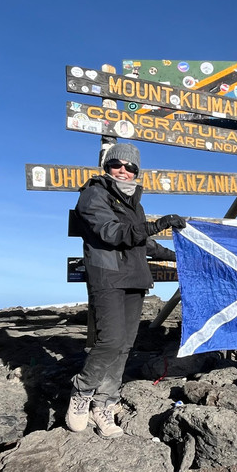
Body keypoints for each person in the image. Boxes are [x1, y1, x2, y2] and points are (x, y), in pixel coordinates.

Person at [67, 142, 186, 437]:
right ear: (107, 168)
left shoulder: (135, 203)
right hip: (107, 277)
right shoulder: (94, 193)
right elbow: (112, 232)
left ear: (136, 172)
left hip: (134, 278)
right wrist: (157, 225)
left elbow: (141, 242)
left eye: (130, 167)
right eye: (117, 164)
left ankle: (104, 404)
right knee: (109, 341)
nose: (124, 170)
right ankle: (81, 393)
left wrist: (175, 255)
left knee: (124, 345)